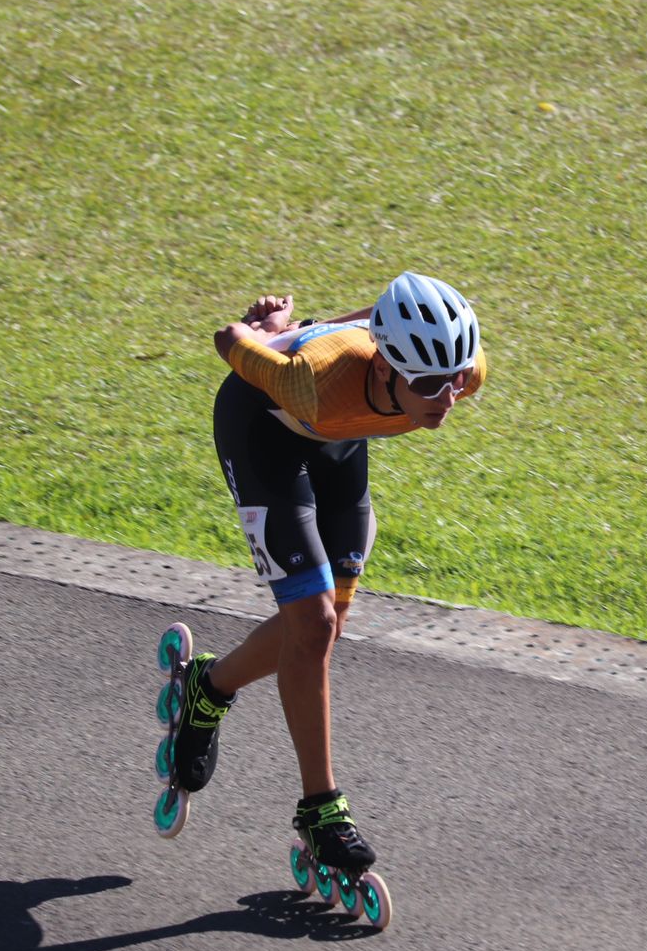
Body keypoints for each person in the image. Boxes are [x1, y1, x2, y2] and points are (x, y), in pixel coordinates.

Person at [155, 271, 487, 883]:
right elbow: (227, 340)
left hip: (340, 434)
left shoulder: (459, 371)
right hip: (266, 430)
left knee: (323, 630)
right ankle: (321, 810)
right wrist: (264, 334)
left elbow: (357, 324)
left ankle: (209, 688)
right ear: (387, 367)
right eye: (431, 383)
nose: (447, 396)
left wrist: (301, 326)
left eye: (457, 379)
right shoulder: (313, 377)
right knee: (313, 623)